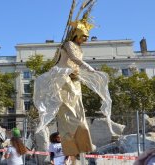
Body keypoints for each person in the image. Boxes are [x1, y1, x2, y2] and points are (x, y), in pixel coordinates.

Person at [33, 1, 116, 158]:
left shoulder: (79, 47)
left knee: (79, 110)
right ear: (76, 34)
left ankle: (83, 143)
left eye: (87, 37)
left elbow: (77, 62)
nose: (85, 39)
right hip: (63, 78)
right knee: (69, 111)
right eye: (83, 36)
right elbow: (74, 60)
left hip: (75, 78)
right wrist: (90, 69)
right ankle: (71, 145)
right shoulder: (68, 44)